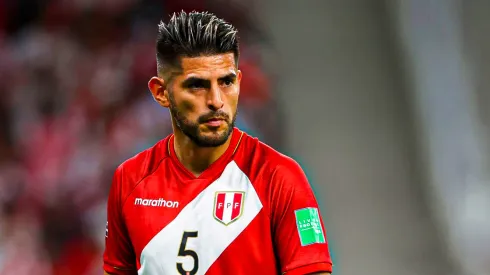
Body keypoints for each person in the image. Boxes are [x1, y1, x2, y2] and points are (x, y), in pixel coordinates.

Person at [103, 11, 333, 275]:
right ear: (161, 92)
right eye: (197, 85)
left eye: (226, 82)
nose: (216, 100)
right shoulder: (129, 180)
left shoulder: (278, 177)